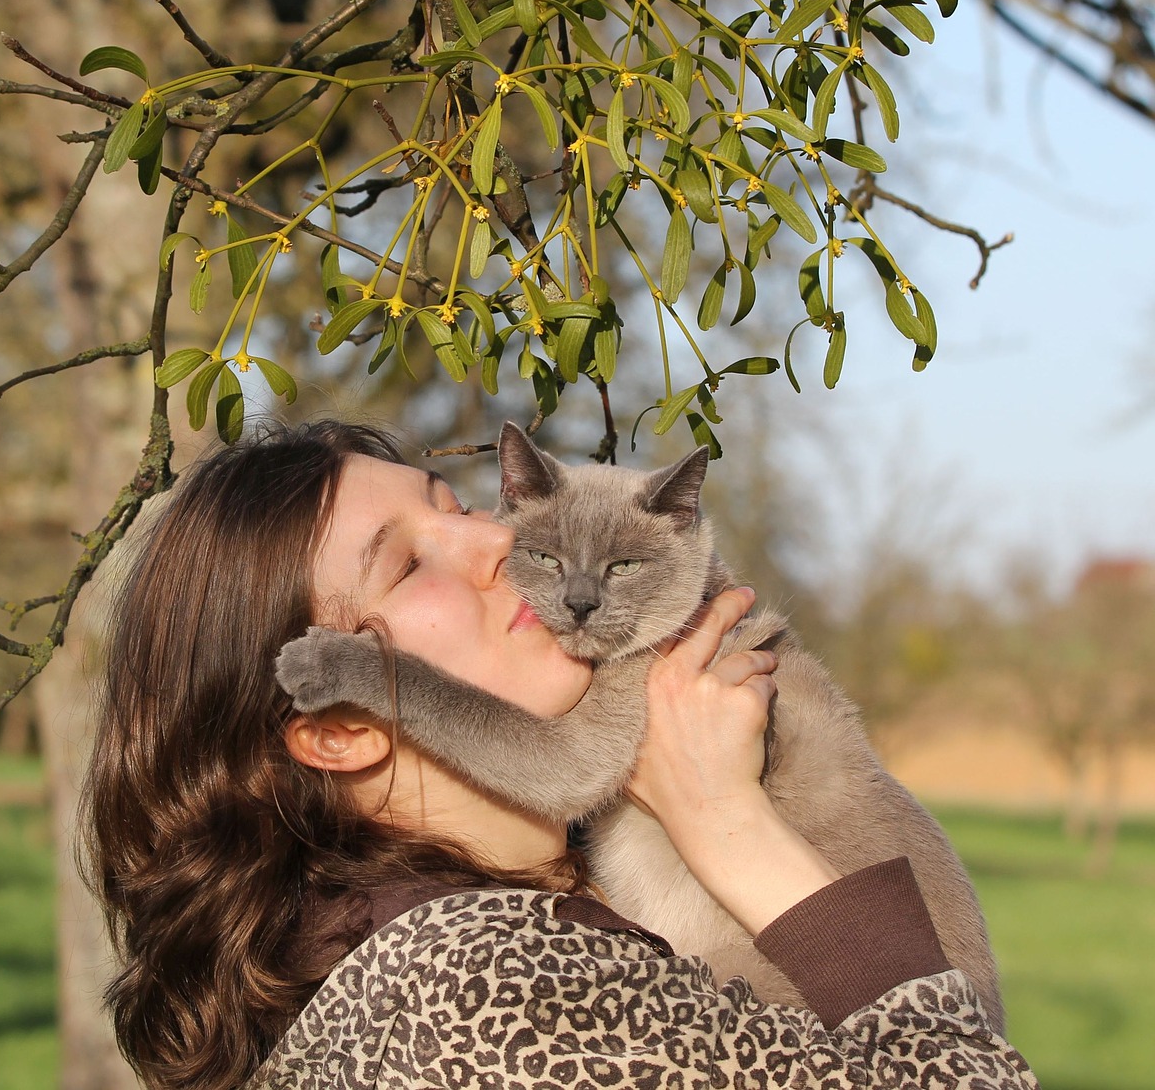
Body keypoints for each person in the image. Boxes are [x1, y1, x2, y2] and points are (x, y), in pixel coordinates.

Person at [82, 419, 1039, 1090]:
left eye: (455, 502)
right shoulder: (473, 994)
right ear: (335, 723)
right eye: (410, 562)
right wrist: (731, 825)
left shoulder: (434, 942)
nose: (492, 543)